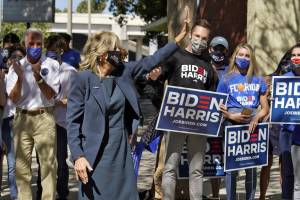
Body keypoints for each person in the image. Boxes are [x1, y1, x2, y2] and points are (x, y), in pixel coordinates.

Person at [67, 19, 188, 198]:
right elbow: (72, 122)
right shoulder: (83, 79)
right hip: (93, 155)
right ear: (102, 54)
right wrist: (78, 156)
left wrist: (178, 39)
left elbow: (153, 60)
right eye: (116, 49)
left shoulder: (124, 72)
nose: (121, 53)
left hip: (120, 151)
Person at [161, 19, 219, 200]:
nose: (199, 40)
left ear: (207, 42)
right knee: (170, 167)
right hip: (175, 120)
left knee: (196, 170)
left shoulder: (208, 66)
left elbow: (212, 96)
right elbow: (158, 76)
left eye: (204, 38)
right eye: (197, 36)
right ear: (190, 35)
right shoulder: (175, 56)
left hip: (199, 123)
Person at [6, 28, 60, 200]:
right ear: (24, 44)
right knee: (21, 168)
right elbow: (13, 98)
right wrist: (21, 78)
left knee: (48, 167)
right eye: (31, 44)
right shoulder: (16, 67)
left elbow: (52, 95)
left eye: (39, 44)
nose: (35, 47)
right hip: (22, 119)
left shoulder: (52, 65)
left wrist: (37, 76)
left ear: (43, 45)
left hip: (44, 117)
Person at [217, 43, 269, 200]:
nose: (243, 58)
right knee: (231, 168)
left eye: (247, 56)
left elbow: (265, 108)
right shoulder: (226, 79)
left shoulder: (258, 80)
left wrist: (256, 117)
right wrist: (231, 116)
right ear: (234, 57)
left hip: (252, 127)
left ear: (251, 58)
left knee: (251, 167)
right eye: (240, 55)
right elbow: (218, 107)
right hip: (231, 125)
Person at [36, 35, 77, 200]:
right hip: (42, 121)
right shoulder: (40, 68)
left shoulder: (70, 71)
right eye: (51, 49)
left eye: (57, 50)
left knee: (61, 160)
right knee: (43, 161)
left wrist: (60, 102)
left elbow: (75, 99)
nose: (54, 52)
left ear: (62, 51)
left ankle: (62, 193)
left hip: (61, 122)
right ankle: (41, 193)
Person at [0, 45, 25, 200]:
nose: (17, 60)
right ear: (9, 60)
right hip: (10, 120)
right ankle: (15, 196)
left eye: (20, 57)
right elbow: (14, 98)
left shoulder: (29, 74)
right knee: (12, 162)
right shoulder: (8, 76)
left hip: (27, 119)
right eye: (14, 57)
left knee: (23, 162)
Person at [208, 36, 230, 199]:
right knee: (213, 161)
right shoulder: (203, 67)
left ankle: (229, 193)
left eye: (222, 49)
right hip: (205, 121)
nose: (218, 52)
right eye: (216, 48)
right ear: (210, 49)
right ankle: (215, 196)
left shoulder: (231, 71)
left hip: (226, 121)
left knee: (227, 160)